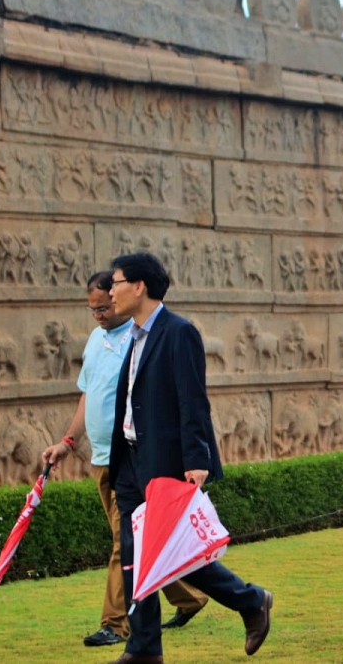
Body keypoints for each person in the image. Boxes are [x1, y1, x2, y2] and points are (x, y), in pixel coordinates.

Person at [104, 252, 272, 664]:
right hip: (129, 461)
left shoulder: (178, 333)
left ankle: (251, 601)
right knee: (134, 556)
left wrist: (196, 460)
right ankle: (143, 647)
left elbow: (192, 399)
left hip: (164, 463)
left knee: (174, 554)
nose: (110, 291)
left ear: (139, 286)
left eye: (116, 282)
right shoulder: (134, 335)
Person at [41, 272, 208, 649]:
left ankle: (116, 624)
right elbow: (88, 394)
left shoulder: (145, 338)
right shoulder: (99, 339)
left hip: (134, 460)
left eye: (105, 304)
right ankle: (190, 596)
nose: (100, 313)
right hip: (103, 459)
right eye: (93, 308)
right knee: (142, 543)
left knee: (125, 544)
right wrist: (68, 442)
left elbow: (187, 400)